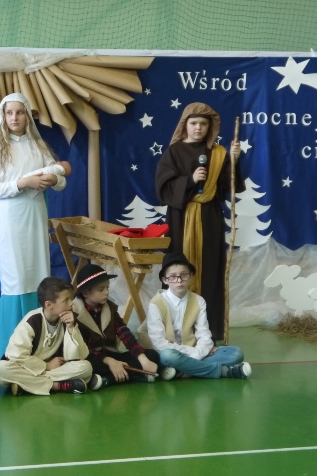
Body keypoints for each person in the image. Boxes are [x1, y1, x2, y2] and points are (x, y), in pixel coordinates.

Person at [0, 93, 67, 361]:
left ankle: (39, 347)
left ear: (27, 116)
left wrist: (54, 178)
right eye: (9, 113)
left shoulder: (37, 145)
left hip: (35, 215)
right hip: (10, 218)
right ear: (3, 116)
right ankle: (11, 351)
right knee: (17, 279)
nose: (15, 118)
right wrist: (24, 183)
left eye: (20, 112)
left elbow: (59, 179)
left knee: (38, 275)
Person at [155, 103, 244, 342]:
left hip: (209, 218)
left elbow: (227, 186)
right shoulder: (174, 152)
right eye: (193, 123)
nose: (198, 128)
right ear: (185, 125)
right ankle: (176, 329)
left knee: (210, 269)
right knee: (178, 266)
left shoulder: (219, 153)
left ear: (210, 127)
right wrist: (190, 180)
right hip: (181, 218)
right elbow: (163, 187)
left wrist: (234, 161)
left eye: (203, 124)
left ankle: (209, 329)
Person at [137, 252, 251, 379]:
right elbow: (159, 343)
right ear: (165, 280)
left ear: (190, 276)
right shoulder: (156, 303)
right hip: (170, 354)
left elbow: (204, 335)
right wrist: (193, 353)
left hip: (194, 353)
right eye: (173, 276)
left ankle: (183, 369)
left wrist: (196, 355)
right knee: (168, 356)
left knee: (236, 353)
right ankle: (222, 371)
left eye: (183, 275)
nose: (179, 280)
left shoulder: (198, 301)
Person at [72, 263, 170, 388]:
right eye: (101, 289)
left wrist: (143, 359)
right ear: (86, 293)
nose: (106, 292)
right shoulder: (73, 313)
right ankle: (131, 375)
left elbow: (125, 334)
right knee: (89, 367)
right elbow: (84, 347)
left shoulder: (109, 307)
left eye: (107, 287)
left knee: (152, 355)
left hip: (112, 354)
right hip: (93, 357)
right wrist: (110, 362)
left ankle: (108, 380)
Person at [0, 276, 94, 395]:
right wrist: (46, 365)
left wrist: (71, 328)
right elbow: (16, 355)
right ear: (49, 304)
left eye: (71, 298)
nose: (71, 303)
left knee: (86, 367)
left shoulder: (68, 318)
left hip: (51, 369)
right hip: (28, 367)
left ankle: (25, 385)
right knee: (2, 369)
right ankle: (56, 386)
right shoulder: (31, 321)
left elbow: (79, 356)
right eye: (66, 300)